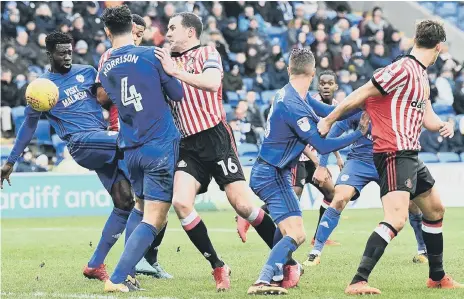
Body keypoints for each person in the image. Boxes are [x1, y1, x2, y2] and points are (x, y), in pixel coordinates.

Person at [317, 20, 462, 294]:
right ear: (439, 47)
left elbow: (426, 116)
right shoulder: (402, 68)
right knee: (396, 219)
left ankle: (437, 276)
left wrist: (444, 124)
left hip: (410, 154)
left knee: (435, 209)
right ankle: (358, 281)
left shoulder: (421, 75)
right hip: (393, 153)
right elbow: (361, 93)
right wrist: (328, 120)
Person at [154, 12, 277, 291]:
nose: (168, 33)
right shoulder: (166, 62)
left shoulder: (207, 52)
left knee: (244, 206)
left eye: (173, 28)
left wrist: (175, 72)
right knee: (181, 203)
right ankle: (218, 266)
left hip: (215, 137)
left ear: (190, 32)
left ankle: (286, 261)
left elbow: (211, 83)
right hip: (188, 144)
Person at [0, 31, 135, 282]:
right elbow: (29, 126)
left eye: (69, 51)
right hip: (81, 143)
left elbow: (107, 99)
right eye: (61, 53)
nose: (67, 56)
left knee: (125, 201)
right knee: (133, 141)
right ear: (49, 54)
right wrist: (11, 160)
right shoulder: (41, 88)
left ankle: (95, 265)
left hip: (101, 139)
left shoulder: (86, 71)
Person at [247, 48, 370, 295]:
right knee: (298, 233)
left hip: (274, 171)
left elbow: (328, 112)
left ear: (289, 69)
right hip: (271, 174)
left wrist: (363, 105)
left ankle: (278, 274)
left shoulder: (292, 93)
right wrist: (358, 133)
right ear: (313, 73)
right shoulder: (294, 105)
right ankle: (263, 280)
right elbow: (322, 144)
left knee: (287, 230)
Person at [97, 5, 183, 292]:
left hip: (131, 147)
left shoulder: (104, 63)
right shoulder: (152, 55)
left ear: (108, 31)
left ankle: (128, 273)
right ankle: (118, 278)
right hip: (159, 144)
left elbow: (107, 97)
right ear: (134, 30)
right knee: (156, 217)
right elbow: (177, 94)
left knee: (140, 207)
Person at [306, 110, 429, 266]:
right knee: (339, 198)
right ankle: (315, 252)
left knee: (411, 204)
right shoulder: (358, 107)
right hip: (359, 161)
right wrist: (322, 166)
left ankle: (423, 250)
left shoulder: (396, 107)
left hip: (389, 161)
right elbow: (331, 135)